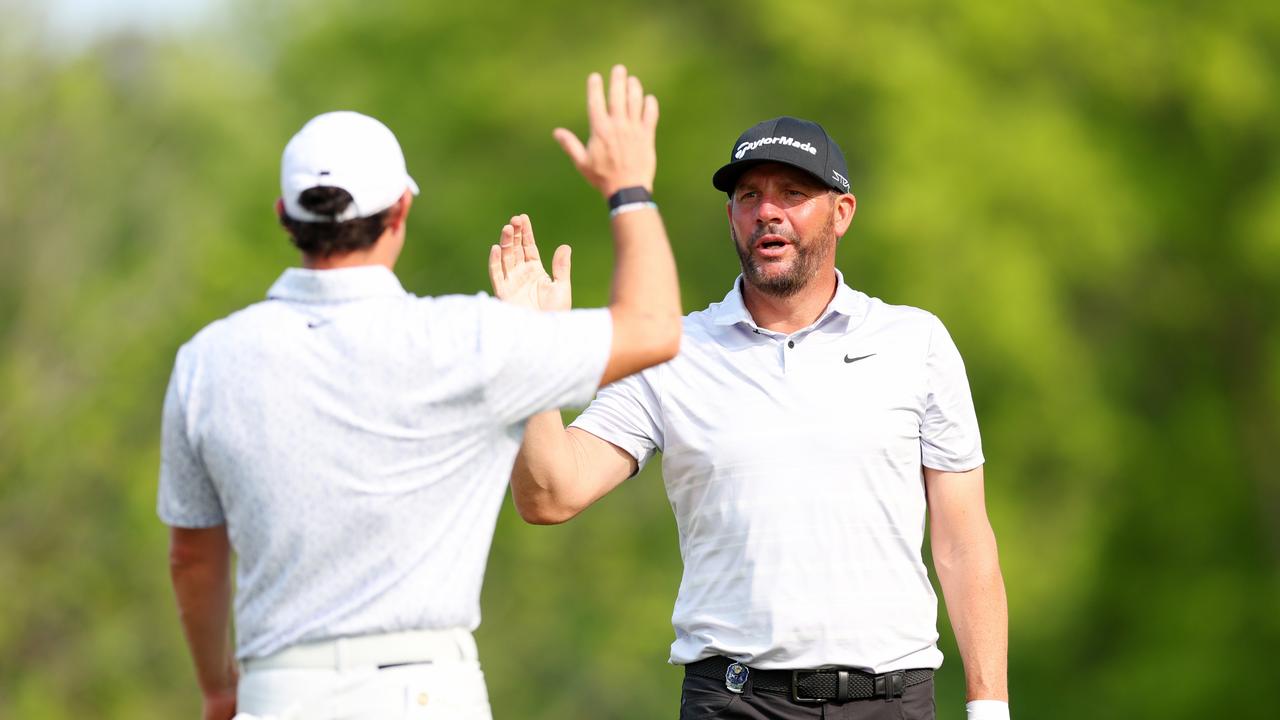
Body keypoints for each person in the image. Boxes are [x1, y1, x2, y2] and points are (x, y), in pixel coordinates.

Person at [158, 65, 680, 720]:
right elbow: (656, 328)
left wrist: (218, 686)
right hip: (427, 692)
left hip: (279, 692)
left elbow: (194, 558)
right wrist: (627, 187)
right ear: (401, 210)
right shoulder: (470, 340)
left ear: (284, 216)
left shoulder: (207, 362)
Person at [498, 116, 1009, 720]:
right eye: (749, 196)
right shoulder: (670, 351)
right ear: (732, 217)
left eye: (792, 194)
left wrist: (988, 707)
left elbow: (963, 543)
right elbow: (551, 495)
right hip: (734, 702)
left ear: (841, 212)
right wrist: (529, 352)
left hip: (890, 701)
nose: (768, 211)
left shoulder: (914, 342)